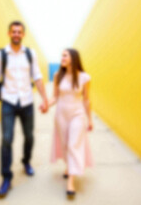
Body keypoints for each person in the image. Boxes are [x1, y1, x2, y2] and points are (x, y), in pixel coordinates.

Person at [0, 21, 49, 198]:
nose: (16, 34)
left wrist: (45, 99)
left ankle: (26, 162)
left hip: (27, 102)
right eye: (13, 31)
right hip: (8, 101)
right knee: (6, 139)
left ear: (23, 35)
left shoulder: (30, 54)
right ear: (9, 33)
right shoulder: (1, 55)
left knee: (29, 136)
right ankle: (6, 177)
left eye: (19, 32)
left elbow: (37, 76)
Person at [48, 48, 93, 199]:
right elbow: (55, 97)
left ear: (73, 58)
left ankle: (71, 183)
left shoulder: (84, 77)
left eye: (65, 55)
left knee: (74, 144)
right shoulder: (57, 76)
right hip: (61, 114)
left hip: (77, 115)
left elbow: (86, 99)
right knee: (65, 144)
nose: (62, 57)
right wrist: (46, 104)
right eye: (61, 55)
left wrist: (90, 119)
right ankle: (69, 167)